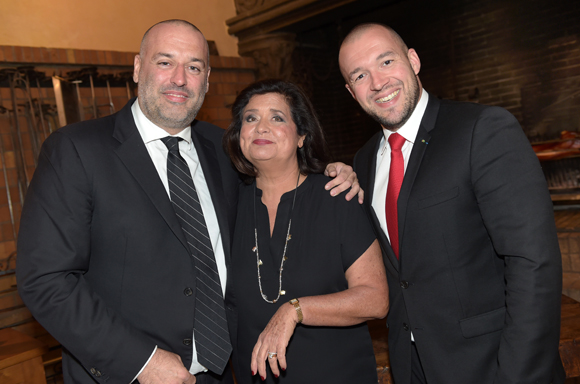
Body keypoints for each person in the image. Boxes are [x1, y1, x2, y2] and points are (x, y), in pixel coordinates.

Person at [16, 20, 359, 384]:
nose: (180, 79)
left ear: (207, 80)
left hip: (222, 373)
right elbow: (46, 279)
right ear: (137, 67)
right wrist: (140, 362)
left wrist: (332, 173)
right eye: (165, 62)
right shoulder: (78, 150)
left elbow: (280, 175)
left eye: (193, 67)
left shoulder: (226, 150)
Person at [338, 23, 565, 384]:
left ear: (413, 60)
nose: (378, 83)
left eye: (386, 61)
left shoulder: (483, 129)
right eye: (361, 75)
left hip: (493, 367)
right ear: (352, 92)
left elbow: (534, 264)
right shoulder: (365, 161)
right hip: (412, 367)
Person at [223, 79, 389, 384]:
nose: (261, 127)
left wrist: (295, 310)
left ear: (301, 136)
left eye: (277, 117)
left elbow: (376, 299)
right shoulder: (226, 205)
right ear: (239, 135)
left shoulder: (337, 196)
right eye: (250, 118)